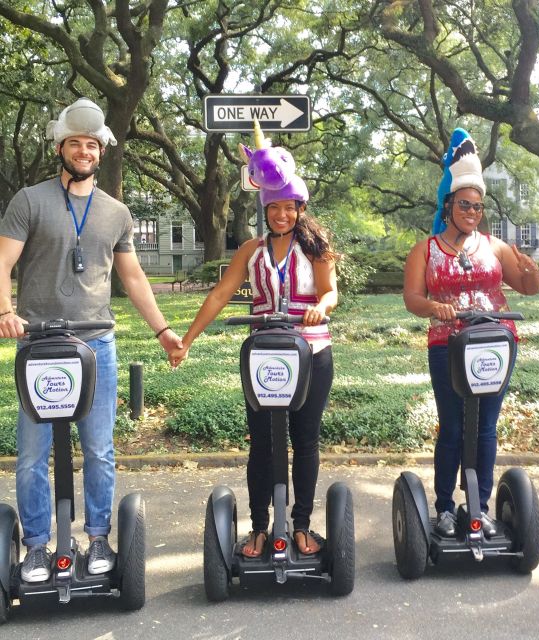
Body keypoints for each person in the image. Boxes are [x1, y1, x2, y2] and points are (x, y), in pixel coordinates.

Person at [0, 98, 183, 582]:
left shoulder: (116, 212)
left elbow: (135, 278)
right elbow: (2, 262)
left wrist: (164, 331)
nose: (84, 151)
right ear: (60, 147)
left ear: (101, 152)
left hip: (96, 343)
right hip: (39, 345)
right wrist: (5, 311)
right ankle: (38, 545)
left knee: (100, 448)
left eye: (91, 145)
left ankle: (99, 537)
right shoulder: (29, 201)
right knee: (33, 454)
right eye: (75, 143)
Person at [169, 124, 337, 557]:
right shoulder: (251, 250)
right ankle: (260, 526)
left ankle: (300, 524)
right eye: (274, 208)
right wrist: (186, 339)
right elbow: (221, 294)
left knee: (305, 439)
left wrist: (323, 305)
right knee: (261, 441)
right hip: (263, 355)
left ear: (299, 208)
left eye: (289, 207)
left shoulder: (316, 247)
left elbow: (330, 289)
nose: (282, 215)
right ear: (265, 209)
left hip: (312, 350)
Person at [403, 128, 539, 538]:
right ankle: (445, 505)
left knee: (485, 426)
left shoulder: (496, 247)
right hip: (447, 345)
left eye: (478, 207)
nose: (472, 212)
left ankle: (478, 504)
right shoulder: (425, 249)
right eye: (465, 205)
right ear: (449, 206)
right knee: (451, 425)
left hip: (495, 344)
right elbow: (412, 297)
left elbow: (527, 287)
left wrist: (531, 272)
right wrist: (434, 307)